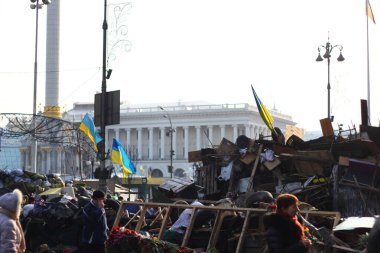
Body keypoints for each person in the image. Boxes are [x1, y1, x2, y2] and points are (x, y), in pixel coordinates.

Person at [0, 189, 26, 253]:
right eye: (19, 205)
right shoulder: (9, 223)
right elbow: (8, 249)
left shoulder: (2, 217)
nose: (21, 208)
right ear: (15, 207)